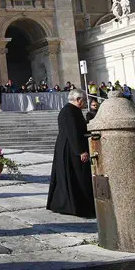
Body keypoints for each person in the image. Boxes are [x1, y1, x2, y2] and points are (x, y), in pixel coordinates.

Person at [47, 89, 94, 218]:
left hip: (69, 148)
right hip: (71, 149)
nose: (85, 103)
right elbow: (72, 133)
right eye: (84, 100)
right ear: (78, 100)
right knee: (77, 176)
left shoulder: (72, 110)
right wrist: (80, 151)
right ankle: (75, 206)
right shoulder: (69, 112)